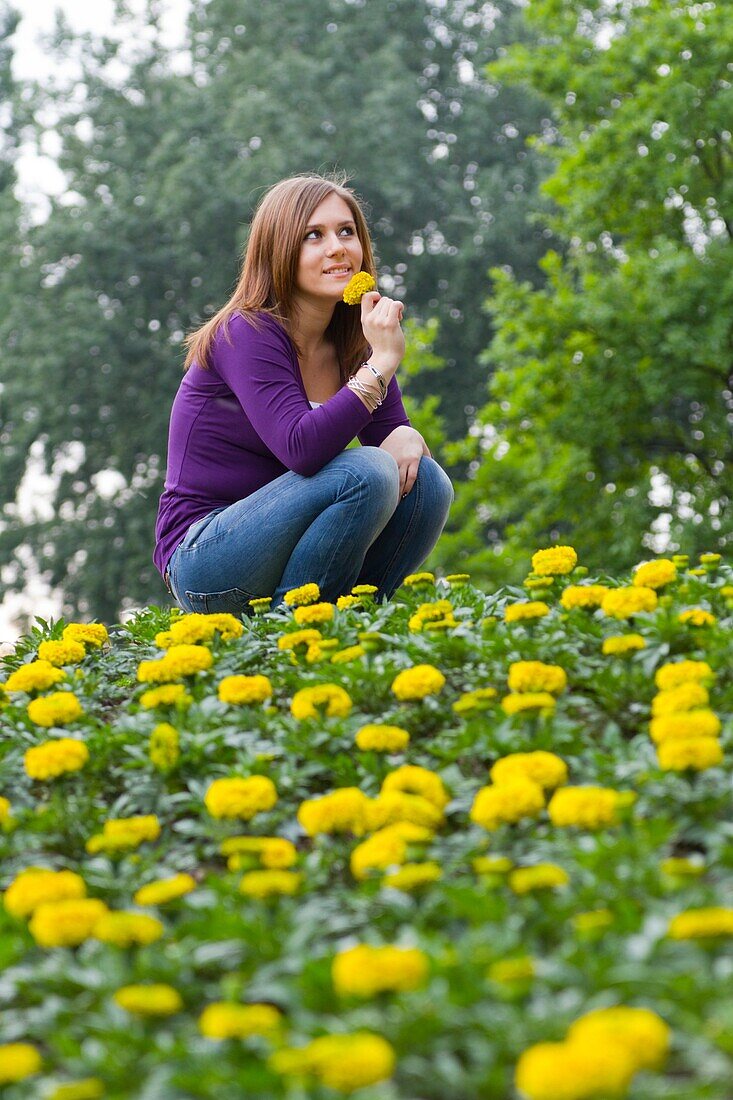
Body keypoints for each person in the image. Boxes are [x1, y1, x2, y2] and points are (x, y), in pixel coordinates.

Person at [154, 173, 453, 615]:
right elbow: (302, 449)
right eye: (314, 236)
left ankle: (351, 623)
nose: (338, 247)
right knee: (366, 472)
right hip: (206, 554)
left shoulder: (356, 340)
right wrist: (382, 364)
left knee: (428, 484)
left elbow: (391, 439)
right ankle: (290, 633)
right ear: (280, 251)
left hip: (292, 546)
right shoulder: (247, 332)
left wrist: (405, 434)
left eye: (346, 231)